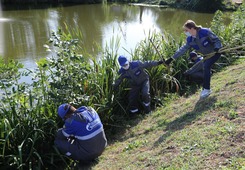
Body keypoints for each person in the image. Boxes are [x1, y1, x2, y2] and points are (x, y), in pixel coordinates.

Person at [165, 20, 222, 98]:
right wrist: (171, 58)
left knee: (206, 66)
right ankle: (206, 88)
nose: (185, 32)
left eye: (186, 30)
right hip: (207, 56)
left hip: (215, 53)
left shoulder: (205, 32)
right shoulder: (190, 40)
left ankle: (206, 89)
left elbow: (216, 40)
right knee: (206, 67)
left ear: (192, 28)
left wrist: (217, 47)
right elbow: (182, 49)